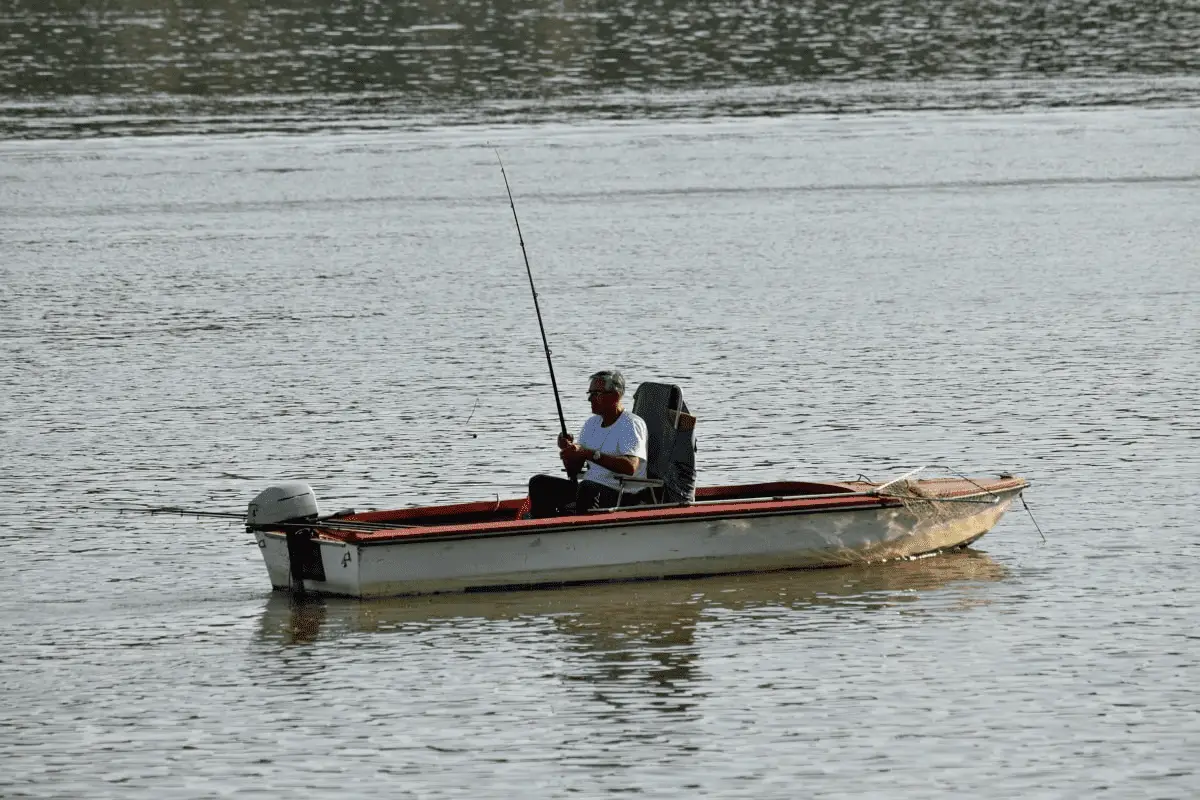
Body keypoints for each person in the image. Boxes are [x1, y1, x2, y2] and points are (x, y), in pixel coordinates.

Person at [528, 370, 650, 518]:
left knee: (586, 488)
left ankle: (581, 531)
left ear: (615, 396)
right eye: (589, 393)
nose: (590, 399)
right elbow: (573, 470)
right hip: (589, 489)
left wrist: (589, 454)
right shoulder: (591, 424)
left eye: (596, 394)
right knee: (539, 483)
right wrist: (569, 452)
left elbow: (630, 467)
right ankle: (545, 529)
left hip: (623, 495)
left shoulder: (631, 424)